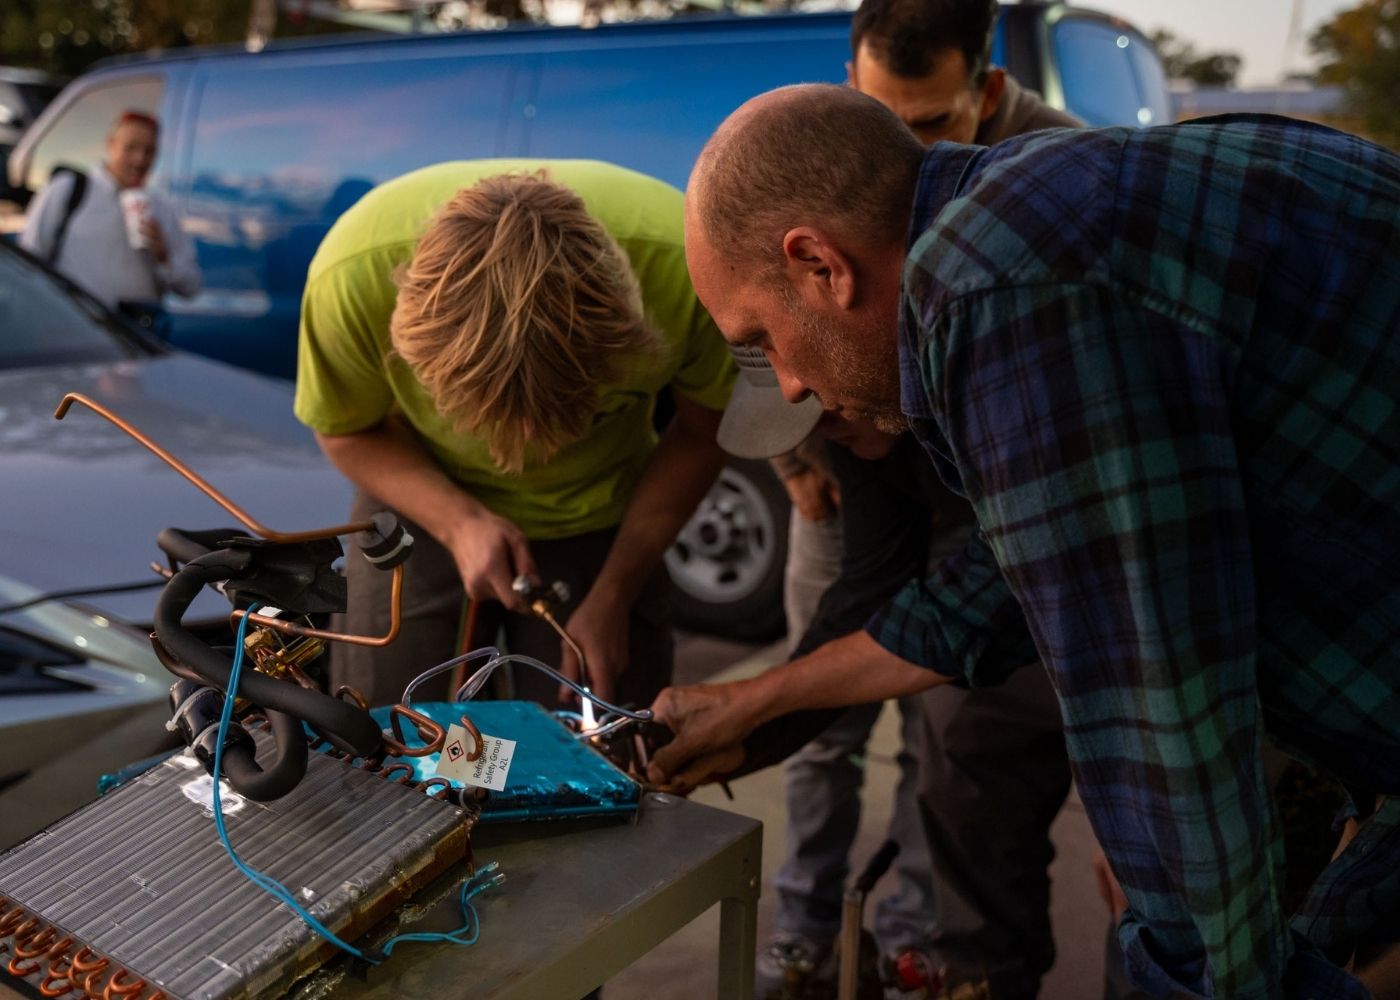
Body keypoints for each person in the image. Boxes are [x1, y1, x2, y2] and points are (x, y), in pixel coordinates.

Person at [653, 85, 1400, 999]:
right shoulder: (1024, 216)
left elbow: (1155, 707)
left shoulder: (1000, 287)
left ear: (819, 266)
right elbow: (998, 588)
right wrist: (759, 704)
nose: (795, 390)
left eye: (764, 340)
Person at [715, 2, 1081, 995]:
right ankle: (820, 933)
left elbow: (1000, 575)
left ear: (987, 94)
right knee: (849, 704)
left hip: (1009, 483)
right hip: (872, 446)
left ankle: (938, 942)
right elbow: (767, 372)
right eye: (879, 116)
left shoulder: (1046, 196)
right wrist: (803, 465)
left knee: (963, 723)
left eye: (926, 128)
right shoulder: (809, 178)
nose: (899, 157)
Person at [294, 160, 732, 709]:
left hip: (602, 511)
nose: (521, 461)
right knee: (392, 723)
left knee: (598, 735)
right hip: (421, 494)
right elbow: (346, 432)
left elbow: (703, 431)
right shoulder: (352, 277)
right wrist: (458, 522)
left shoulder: (692, 266)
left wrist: (617, 590)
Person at [19, 110, 200, 314]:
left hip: (137, 334)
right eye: (130, 148)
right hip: (74, 326)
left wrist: (163, 256)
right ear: (111, 144)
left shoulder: (162, 209)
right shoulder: (68, 190)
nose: (140, 160)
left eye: (149, 151)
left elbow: (191, 288)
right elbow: (29, 263)